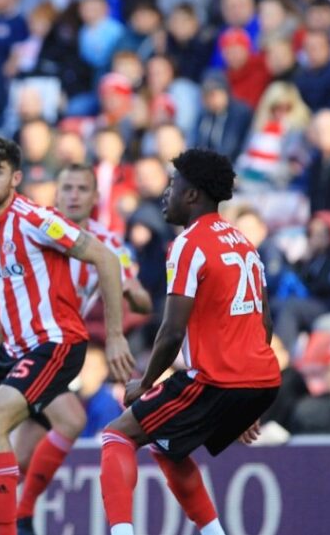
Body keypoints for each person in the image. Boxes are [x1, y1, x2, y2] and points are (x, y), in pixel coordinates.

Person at [0, 138, 134, 535]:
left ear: (15, 178)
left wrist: (115, 337)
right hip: (13, 349)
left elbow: (105, 258)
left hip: (55, 343)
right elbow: (6, 294)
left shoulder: (37, 219)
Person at [98, 149, 281, 535]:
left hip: (217, 378)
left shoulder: (188, 244)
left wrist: (145, 383)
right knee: (166, 444)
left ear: (193, 194)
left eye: (173, 185)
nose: (167, 193)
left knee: (118, 434)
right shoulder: (243, 242)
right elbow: (264, 321)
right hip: (262, 379)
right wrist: (249, 397)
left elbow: (171, 331)